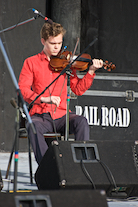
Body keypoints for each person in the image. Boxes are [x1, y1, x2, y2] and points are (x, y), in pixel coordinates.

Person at [18, 22, 103, 165]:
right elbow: (23, 89)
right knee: (33, 126)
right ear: (43, 41)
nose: (57, 47)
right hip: (41, 115)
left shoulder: (67, 62)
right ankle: (49, 168)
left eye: (59, 42)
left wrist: (91, 71)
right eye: (52, 43)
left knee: (81, 121)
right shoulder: (31, 62)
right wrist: (44, 99)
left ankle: (82, 167)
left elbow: (78, 89)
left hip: (62, 115)